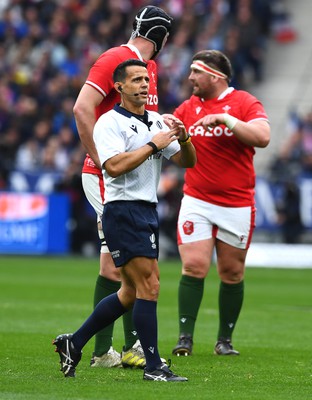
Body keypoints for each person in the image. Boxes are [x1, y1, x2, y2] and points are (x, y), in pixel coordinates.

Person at [53, 59, 196, 381]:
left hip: (146, 209)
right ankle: (154, 366)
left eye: (146, 79)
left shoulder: (158, 121)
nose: (144, 85)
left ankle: (73, 343)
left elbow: (187, 162)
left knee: (130, 292)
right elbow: (112, 167)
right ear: (119, 87)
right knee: (150, 285)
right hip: (123, 209)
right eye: (136, 80)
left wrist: (184, 139)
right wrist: (152, 145)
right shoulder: (109, 123)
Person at [72, 5, 173, 368]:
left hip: (134, 181)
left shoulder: (148, 70)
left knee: (122, 268)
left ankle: (112, 348)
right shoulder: (117, 57)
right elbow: (82, 108)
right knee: (122, 268)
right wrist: (101, 162)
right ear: (162, 38)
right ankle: (106, 351)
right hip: (109, 177)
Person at [167, 49, 270, 356]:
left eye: (195, 72)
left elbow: (262, 137)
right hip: (197, 200)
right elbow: (174, 152)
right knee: (195, 266)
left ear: (215, 76)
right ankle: (185, 336)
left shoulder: (244, 103)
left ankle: (224, 340)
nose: (190, 78)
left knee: (232, 272)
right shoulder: (187, 108)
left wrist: (226, 118)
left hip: (236, 203)